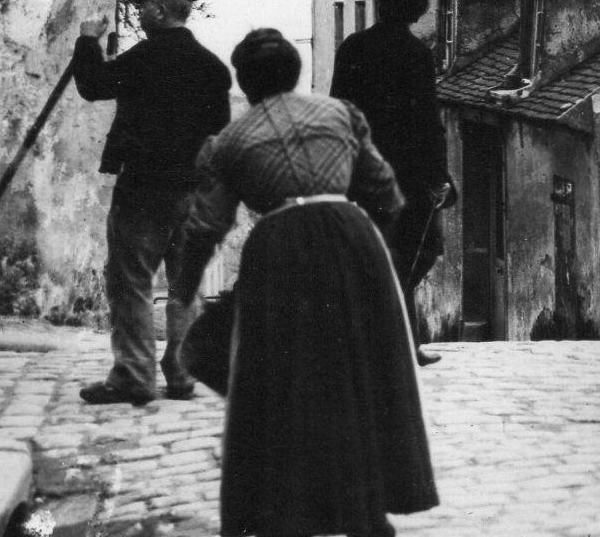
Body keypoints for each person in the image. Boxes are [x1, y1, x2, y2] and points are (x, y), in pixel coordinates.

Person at [170, 29, 438, 537]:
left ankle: (288, 509)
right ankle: (365, 512)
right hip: (353, 236)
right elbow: (387, 193)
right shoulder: (340, 115)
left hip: (280, 251)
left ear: (245, 83)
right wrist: (364, 247)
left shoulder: (230, 140)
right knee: (358, 375)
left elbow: (206, 225)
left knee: (278, 380)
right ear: (295, 71)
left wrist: (184, 291)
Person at [72, 0, 232, 405]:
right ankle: (180, 376)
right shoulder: (213, 67)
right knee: (186, 285)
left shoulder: (145, 58)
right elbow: (220, 136)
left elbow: (93, 86)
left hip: (143, 187)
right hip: (195, 192)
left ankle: (134, 376)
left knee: (131, 282)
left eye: (144, 7)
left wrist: (88, 41)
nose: (139, 13)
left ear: (160, 11)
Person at [329, 0, 454, 367]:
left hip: (360, 170)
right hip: (408, 174)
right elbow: (428, 122)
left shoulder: (352, 47)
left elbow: (340, 111)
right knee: (419, 250)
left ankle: (389, 339)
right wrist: (440, 177)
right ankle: (397, 342)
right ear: (416, 8)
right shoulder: (416, 54)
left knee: (375, 254)